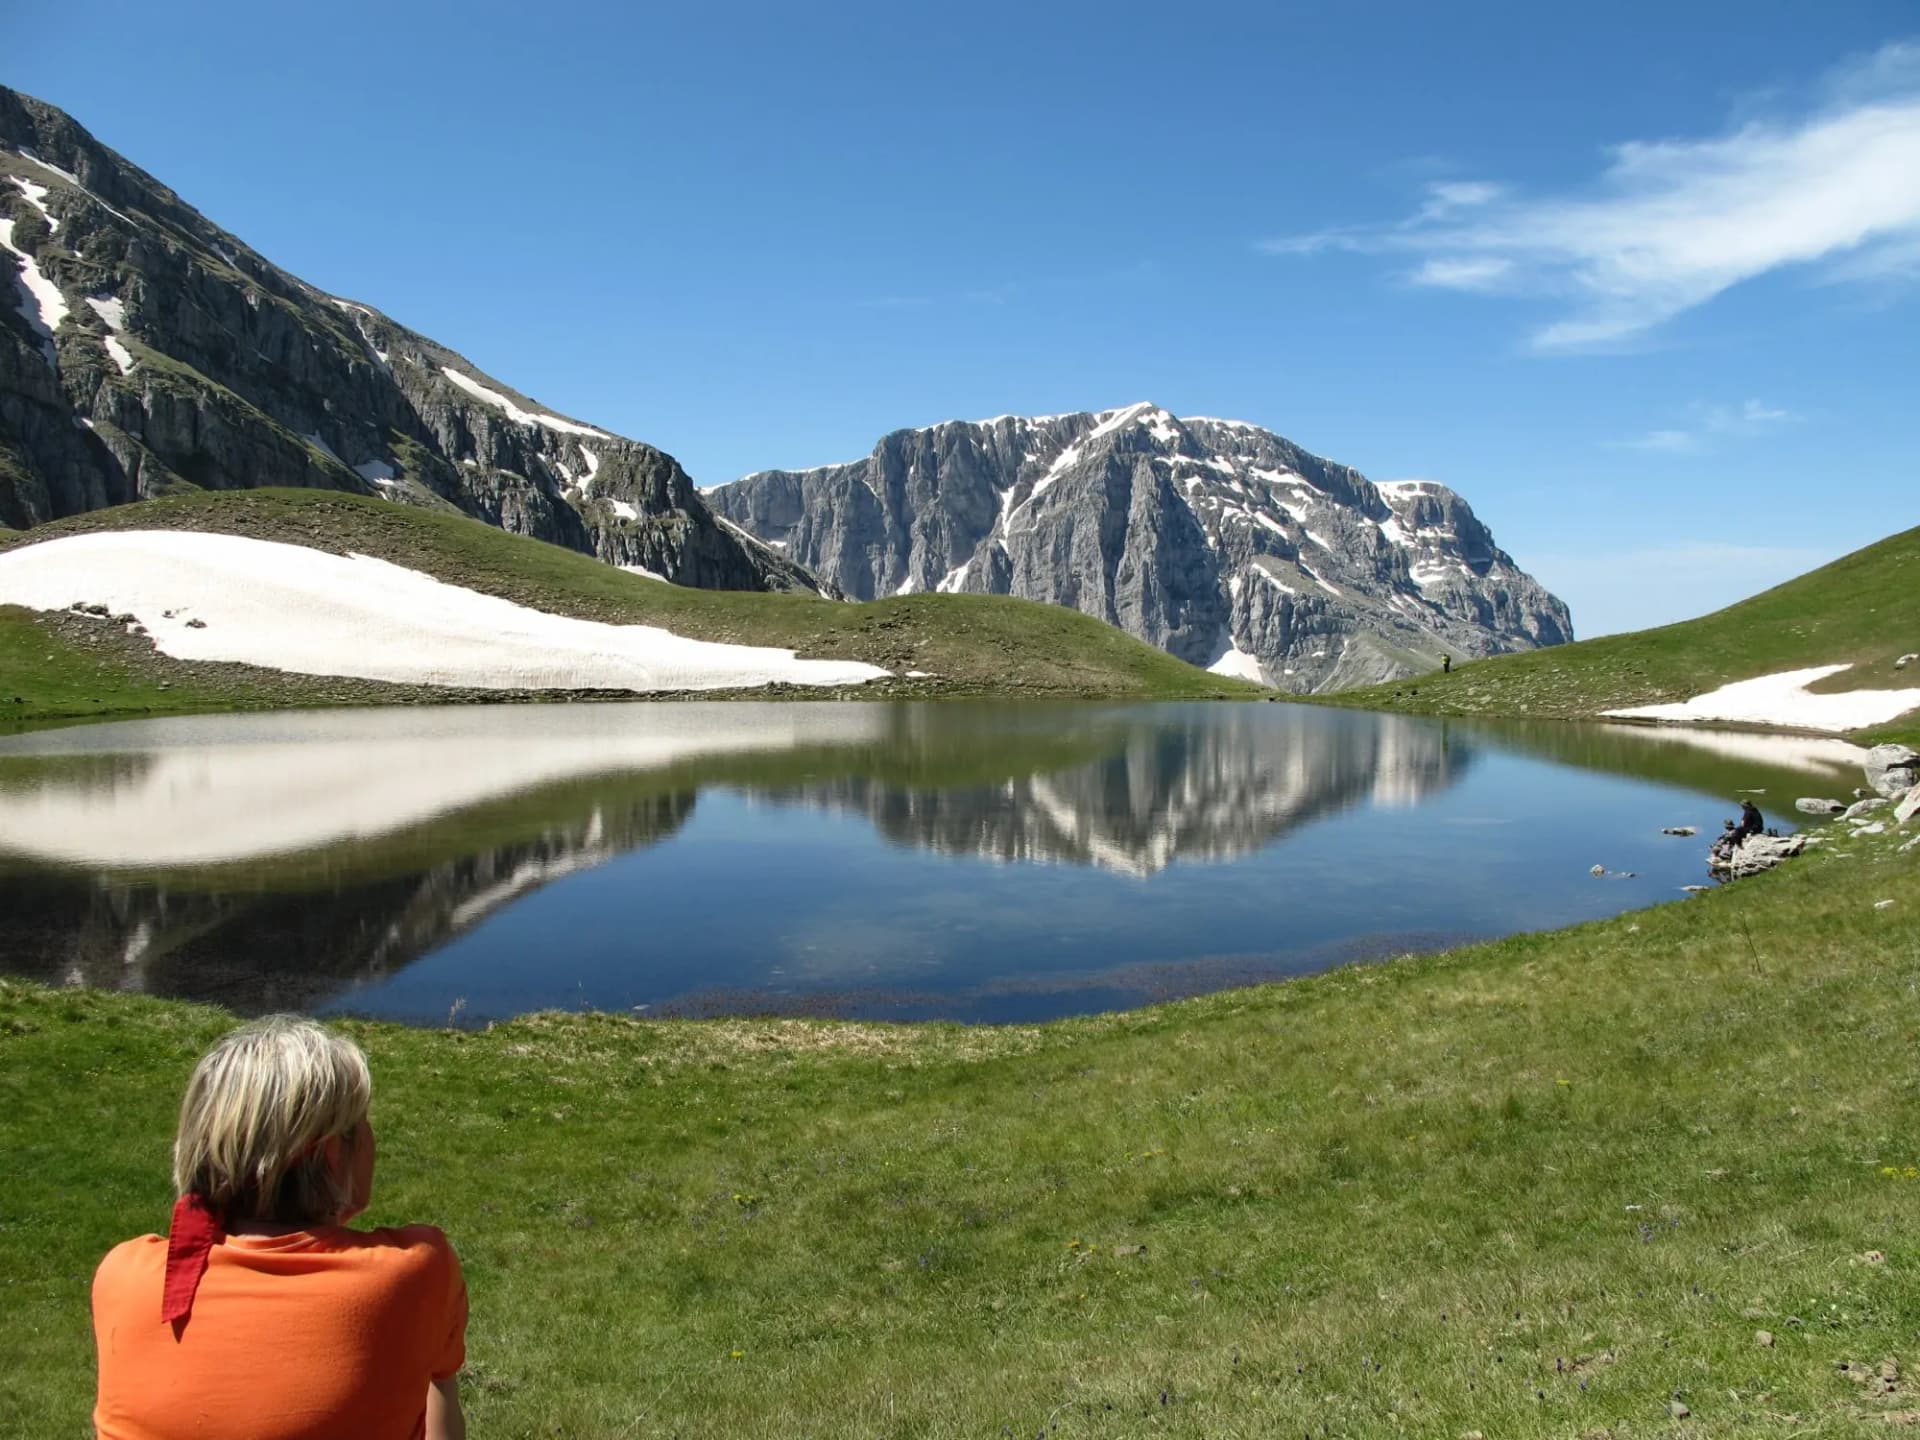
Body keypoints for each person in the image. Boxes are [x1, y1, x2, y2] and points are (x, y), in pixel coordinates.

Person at [91, 1016, 467, 1440]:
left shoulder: (125, 1277)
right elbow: (439, 1392)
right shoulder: (416, 1271)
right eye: (360, 1124)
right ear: (330, 1153)